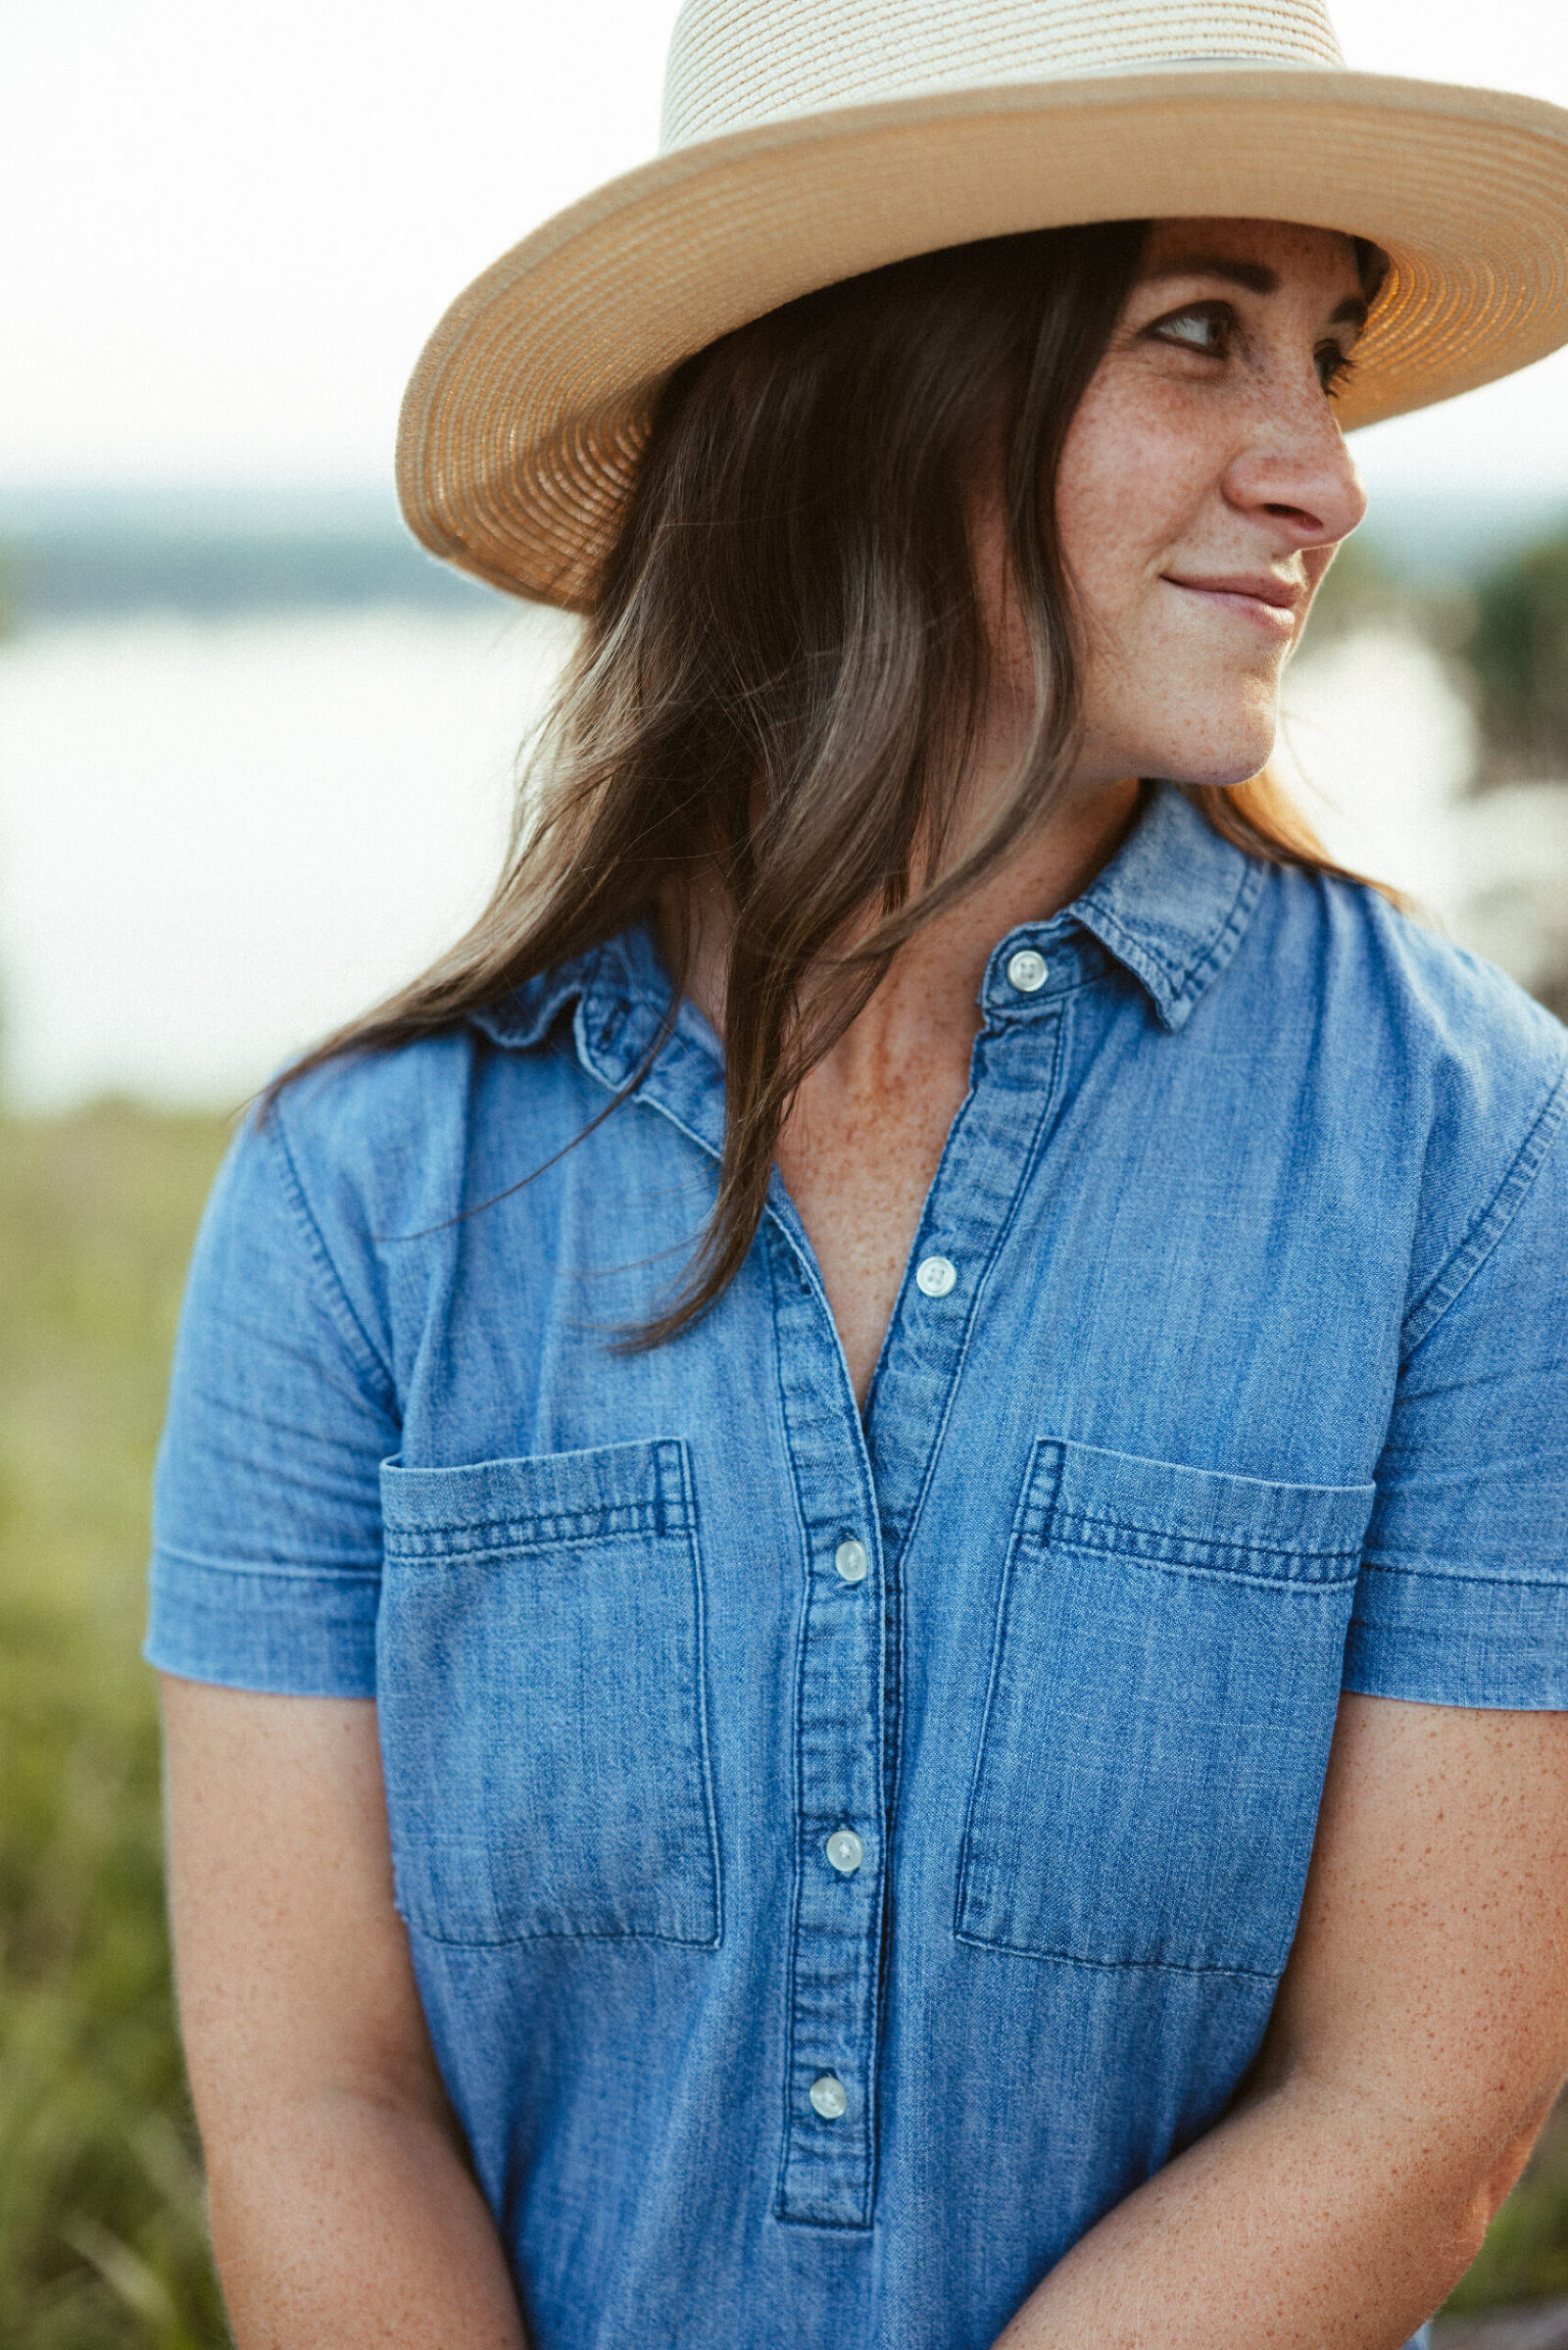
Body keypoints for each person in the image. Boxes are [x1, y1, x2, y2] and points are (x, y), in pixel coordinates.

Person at [147, 1, 1568, 2345]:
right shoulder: (356, 1193)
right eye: (1196, 334)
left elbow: (1413, 2095)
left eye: (1316, 345)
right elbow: (320, 2097)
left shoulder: (1473, 1154)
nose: (1320, 468)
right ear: (871, 381)